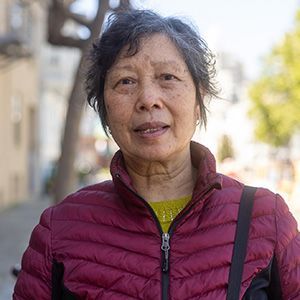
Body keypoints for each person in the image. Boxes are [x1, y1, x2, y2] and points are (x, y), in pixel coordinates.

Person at [13, 9, 300, 300]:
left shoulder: (264, 218)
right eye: (126, 81)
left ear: (198, 101)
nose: (148, 99)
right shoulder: (60, 229)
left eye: (168, 77)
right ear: (106, 111)